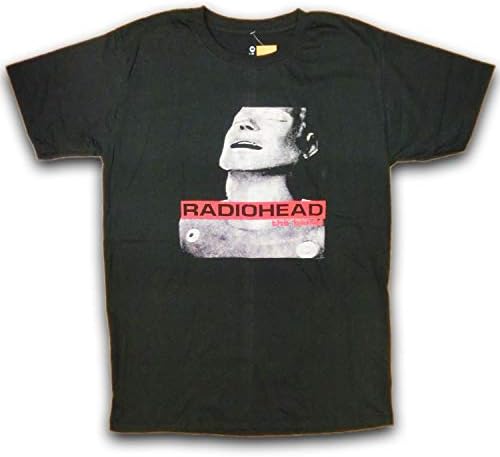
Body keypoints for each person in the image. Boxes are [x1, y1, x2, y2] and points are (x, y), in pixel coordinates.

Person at [179, 106, 326, 258]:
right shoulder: (188, 224)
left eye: (273, 118)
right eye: (238, 120)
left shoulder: (321, 230)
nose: (246, 124)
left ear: (308, 145)